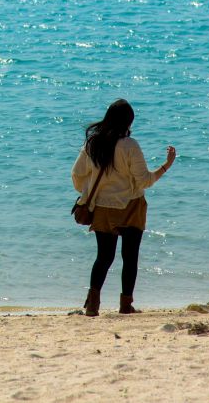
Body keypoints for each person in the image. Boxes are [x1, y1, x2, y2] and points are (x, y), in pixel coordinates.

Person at [71, 99, 176, 316]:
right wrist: (166, 166)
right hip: (131, 207)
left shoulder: (92, 144)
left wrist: (90, 190)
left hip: (102, 208)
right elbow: (144, 181)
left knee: (103, 258)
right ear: (128, 121)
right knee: (130, 258)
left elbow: (77, 176)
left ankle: (92, 306)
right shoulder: (130, 146)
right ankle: (125, 305)